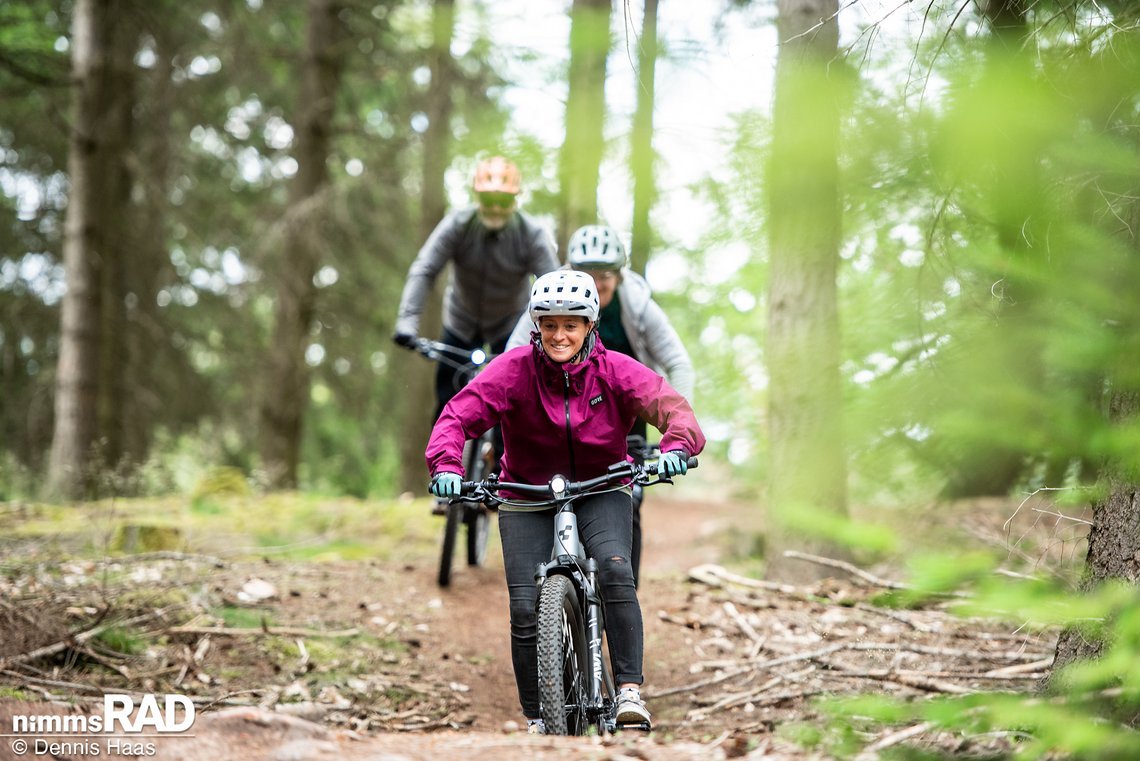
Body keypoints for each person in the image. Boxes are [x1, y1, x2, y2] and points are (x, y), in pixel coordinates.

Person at [426, 269, 706, 734]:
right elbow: (457, 415)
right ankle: (539, 715)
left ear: (589, 326)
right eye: (549, 324)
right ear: (536, 325)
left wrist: (677, 446)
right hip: (524, 493)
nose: (559, 335)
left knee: (616, 570)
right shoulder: (513, 371)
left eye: (570, 324)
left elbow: (670, 405)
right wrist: (448, 467)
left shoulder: (615, 369)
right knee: (524, 606)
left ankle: (629, 692)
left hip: (603, 486)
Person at [506, 224, 694, 585]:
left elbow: (679, 363)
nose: (596, 281)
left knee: (629, 499)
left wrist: (675, 429)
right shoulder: (552, 295)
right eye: (586, 273)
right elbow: (513, 355)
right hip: (559, 411)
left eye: (605, 275)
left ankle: (623, 589)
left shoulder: (637, 306)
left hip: (625, 416)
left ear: (620, 274)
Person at [393, 156, 560, 421]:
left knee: (513, 405)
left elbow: (555, 287)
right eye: (487, 199)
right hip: (461, 322)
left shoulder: (531, 234)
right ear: (476, 197)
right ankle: (442, 461)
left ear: (515, 199)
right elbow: (425, 269)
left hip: (510, 326)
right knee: (447, 403)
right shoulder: (458, 224)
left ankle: (502, 462)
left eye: (503, 201)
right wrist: (407, 321)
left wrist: (554, 334)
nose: (494, 207)